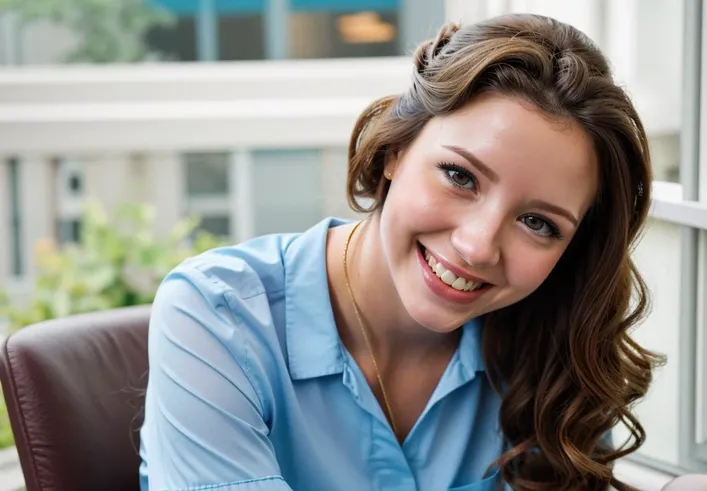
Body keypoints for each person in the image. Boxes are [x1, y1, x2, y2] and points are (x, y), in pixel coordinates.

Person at [139, 13, 663, 491]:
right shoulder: (215, 317)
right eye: (460, 176)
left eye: (538, 223)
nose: (477, 245)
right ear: (396, 149)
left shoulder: (555, 352)